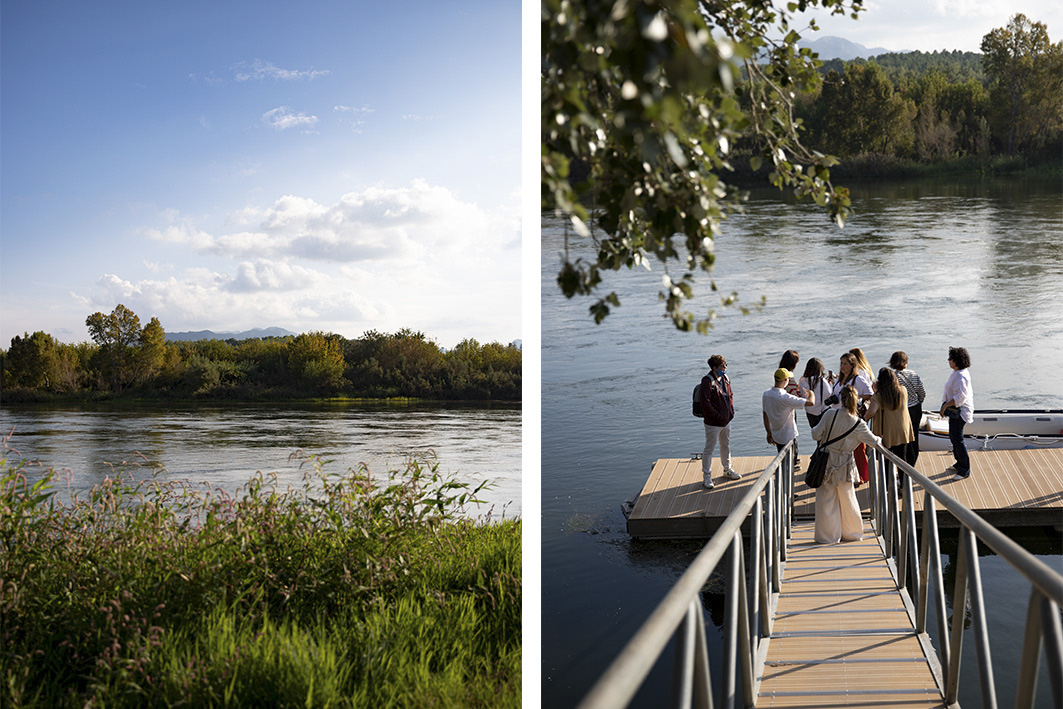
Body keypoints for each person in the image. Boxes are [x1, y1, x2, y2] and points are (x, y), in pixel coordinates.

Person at [812, 386, 882, 544]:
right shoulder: (858, 424)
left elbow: (815, 434)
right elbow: (873, 442)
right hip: (844, 465)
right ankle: (852, 533)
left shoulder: (829, 414)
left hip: (826, 462)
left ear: (841, 400)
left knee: (826, 500)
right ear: (855, 401)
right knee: (848, 498)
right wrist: (879, 439)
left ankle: (827, 537)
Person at [828, 353, 873, 484]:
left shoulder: (858, 380)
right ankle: (845, 474)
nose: (842, 366)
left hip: (852, 416)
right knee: (841, 447)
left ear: (852, 365)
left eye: (845, 364)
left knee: (858, 447)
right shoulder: (839, 379)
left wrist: (856, 398)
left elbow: (870, 394)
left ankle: (862, 476)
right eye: (841, 363)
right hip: (837, 416)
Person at [699, 354, 739, 489]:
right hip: (713, 423)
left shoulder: (725, 378)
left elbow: (730, 395)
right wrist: (717, 416)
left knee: (725, 445)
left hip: (726, 420)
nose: (725, 367)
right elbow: (706, 403)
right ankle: (707, 475)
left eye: (726, 364)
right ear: (714, 367)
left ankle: (727, 469)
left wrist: (731, 411)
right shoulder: (707, 381)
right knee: (709, 448)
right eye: (722, 366)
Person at [865, 367, 915, 465]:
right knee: (902, 459)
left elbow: (871, 412)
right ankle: (903, 480)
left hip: (887, 433)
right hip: (902, 430)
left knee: (886, 461)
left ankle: (888, 480)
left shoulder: (879, 395)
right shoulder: (903, 390)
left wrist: (864, 419)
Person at [762, 367, 816, 454]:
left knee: (781, 457)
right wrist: (811, 393)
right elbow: (811, 402)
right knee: (791, 462)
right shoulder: (785, 397)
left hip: (776, 435)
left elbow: (765, 414)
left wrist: (768, 432)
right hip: (788, 437)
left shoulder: (766, 394)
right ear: (786, 380)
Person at [941, 346, 974, 479]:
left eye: (951, 358)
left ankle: (964, 469)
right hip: (955, 411)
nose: (948, 360)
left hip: (960, 412)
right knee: (954, 438)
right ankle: (959, 463)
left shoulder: (961, 376)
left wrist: (945, 406)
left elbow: (960, 398)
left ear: (956, 361)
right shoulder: (957, 373)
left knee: (958, 439)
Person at [889, 351, 926, 465]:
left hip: (901, 411)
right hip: (915, 408)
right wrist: (918, 401)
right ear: (906, 362)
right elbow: (921, 392)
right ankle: (912, 465)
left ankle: (904, 469)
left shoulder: (891, 377)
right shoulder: (913, 374)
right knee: (914, 438)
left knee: (903, 441)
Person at [798, 358, 832, 429]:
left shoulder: (802, 380)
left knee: (816, 432)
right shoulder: (822, 381)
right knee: (826, 434)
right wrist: (829, 384)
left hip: (810, 412)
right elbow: (829, 393)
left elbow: (802, 394)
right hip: (822, 411)